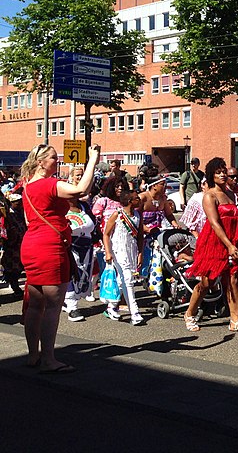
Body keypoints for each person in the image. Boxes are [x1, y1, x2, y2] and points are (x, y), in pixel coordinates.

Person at [20, 142, 100, 373]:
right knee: (53, 306)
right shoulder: (49, 184)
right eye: (54, 158)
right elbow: (81, 191)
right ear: (40, 162)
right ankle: (48, 360)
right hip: (50, 247)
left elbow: (27, 220)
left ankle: (33, 355)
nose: (59, 161)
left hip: (32, 245)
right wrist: (93, 159)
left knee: (36, 305)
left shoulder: (27, 186)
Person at [183, 158, 238, 334]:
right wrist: (228, 245)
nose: (222, 174)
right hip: (214, 242)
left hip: (232, 241)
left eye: (223, 171)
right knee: (207, 282)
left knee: (234, 280)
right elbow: (214, 223)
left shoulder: (231, 194)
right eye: (218, 172)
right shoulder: (209, 195)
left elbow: (236, 220)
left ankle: (235, 320)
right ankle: (189, 313)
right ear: (211, 176)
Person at [102, 190, 144, 325]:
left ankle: (111, 307)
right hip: (118, 250)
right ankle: (135, 312)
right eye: (137, 198)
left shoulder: (138, 215)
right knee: (128, 280)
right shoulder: (117, 214)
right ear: (130, 201)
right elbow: (106, 234)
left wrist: (140, 253)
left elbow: (140, 236)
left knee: (122, 280)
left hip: (131, 250)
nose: (139, 200)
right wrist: (108, 252)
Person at [63, 181, 98, 323]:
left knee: (83, 275)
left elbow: (93, 223)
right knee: (71, 274)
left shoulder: (84, 206)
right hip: (69, 247)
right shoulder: (61, 208)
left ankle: (69, 302)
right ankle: (72, 306)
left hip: (87, 247)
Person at [1, 192, 26, 295]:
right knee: (13, 267)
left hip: (22, 243)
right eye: (17, 203)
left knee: (19, 266)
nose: (19, 204)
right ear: (12, 203)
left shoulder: (21, 212)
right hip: (12, 245)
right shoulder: (8, 215)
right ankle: (14, 286)